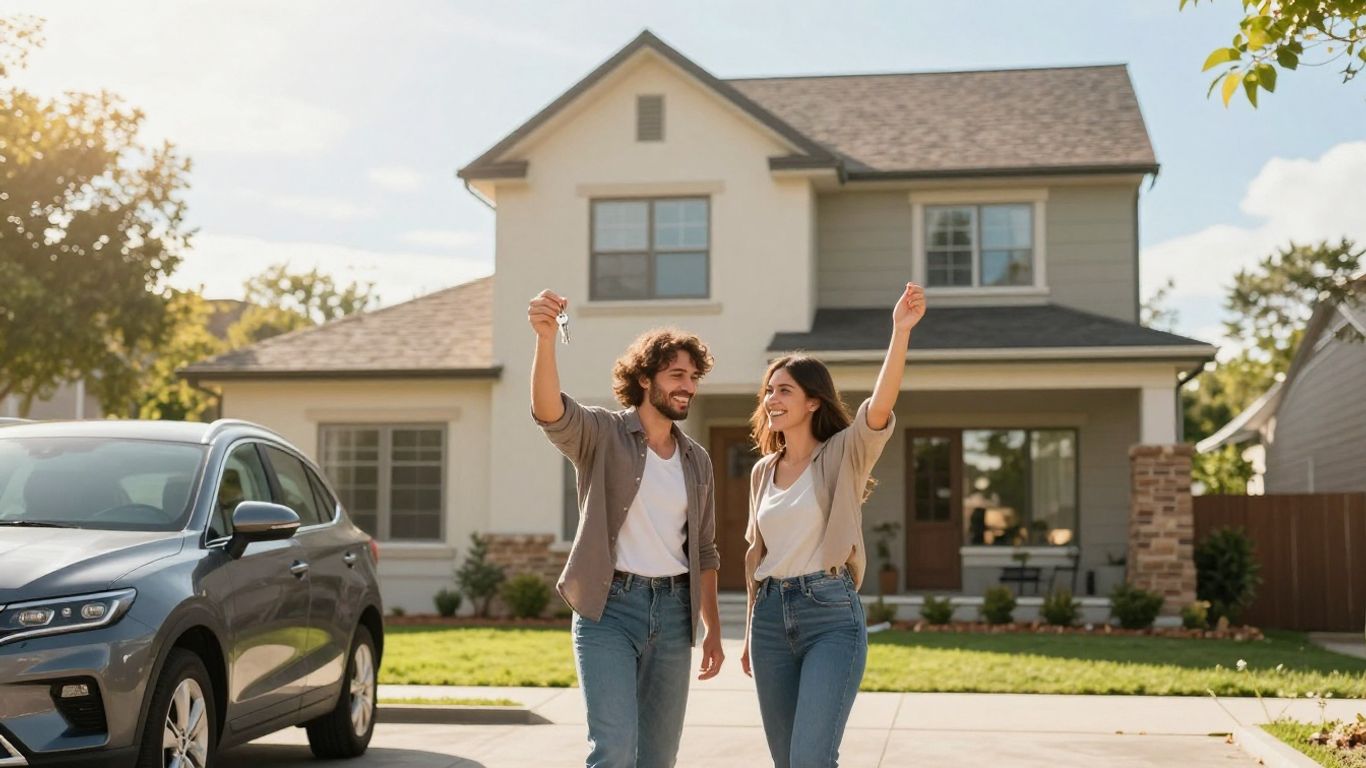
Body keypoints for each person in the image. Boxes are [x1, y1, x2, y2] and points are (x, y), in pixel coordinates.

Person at [528, 289, 724, 768]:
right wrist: (546, 341)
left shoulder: (696, 459)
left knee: (658, 757)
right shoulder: (602, 434)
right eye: (677, 375)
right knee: (613, 751)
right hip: (609, 610)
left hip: (676, 613)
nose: (688, 386)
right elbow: (550, 412)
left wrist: (712, 628)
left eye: (693, 378)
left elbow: (705, 549)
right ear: (644, 378)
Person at [740, 282, 926, 768]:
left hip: (830, 615)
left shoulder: (843, 454)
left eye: (784, 390)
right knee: (787, 761)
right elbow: (756, 558)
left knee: (810, 759)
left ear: (813, 402)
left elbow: (879, 408)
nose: (771, 399)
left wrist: (899, 332)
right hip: (769, 620)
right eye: (768, 391)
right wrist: (748, 632)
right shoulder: (763, 472)